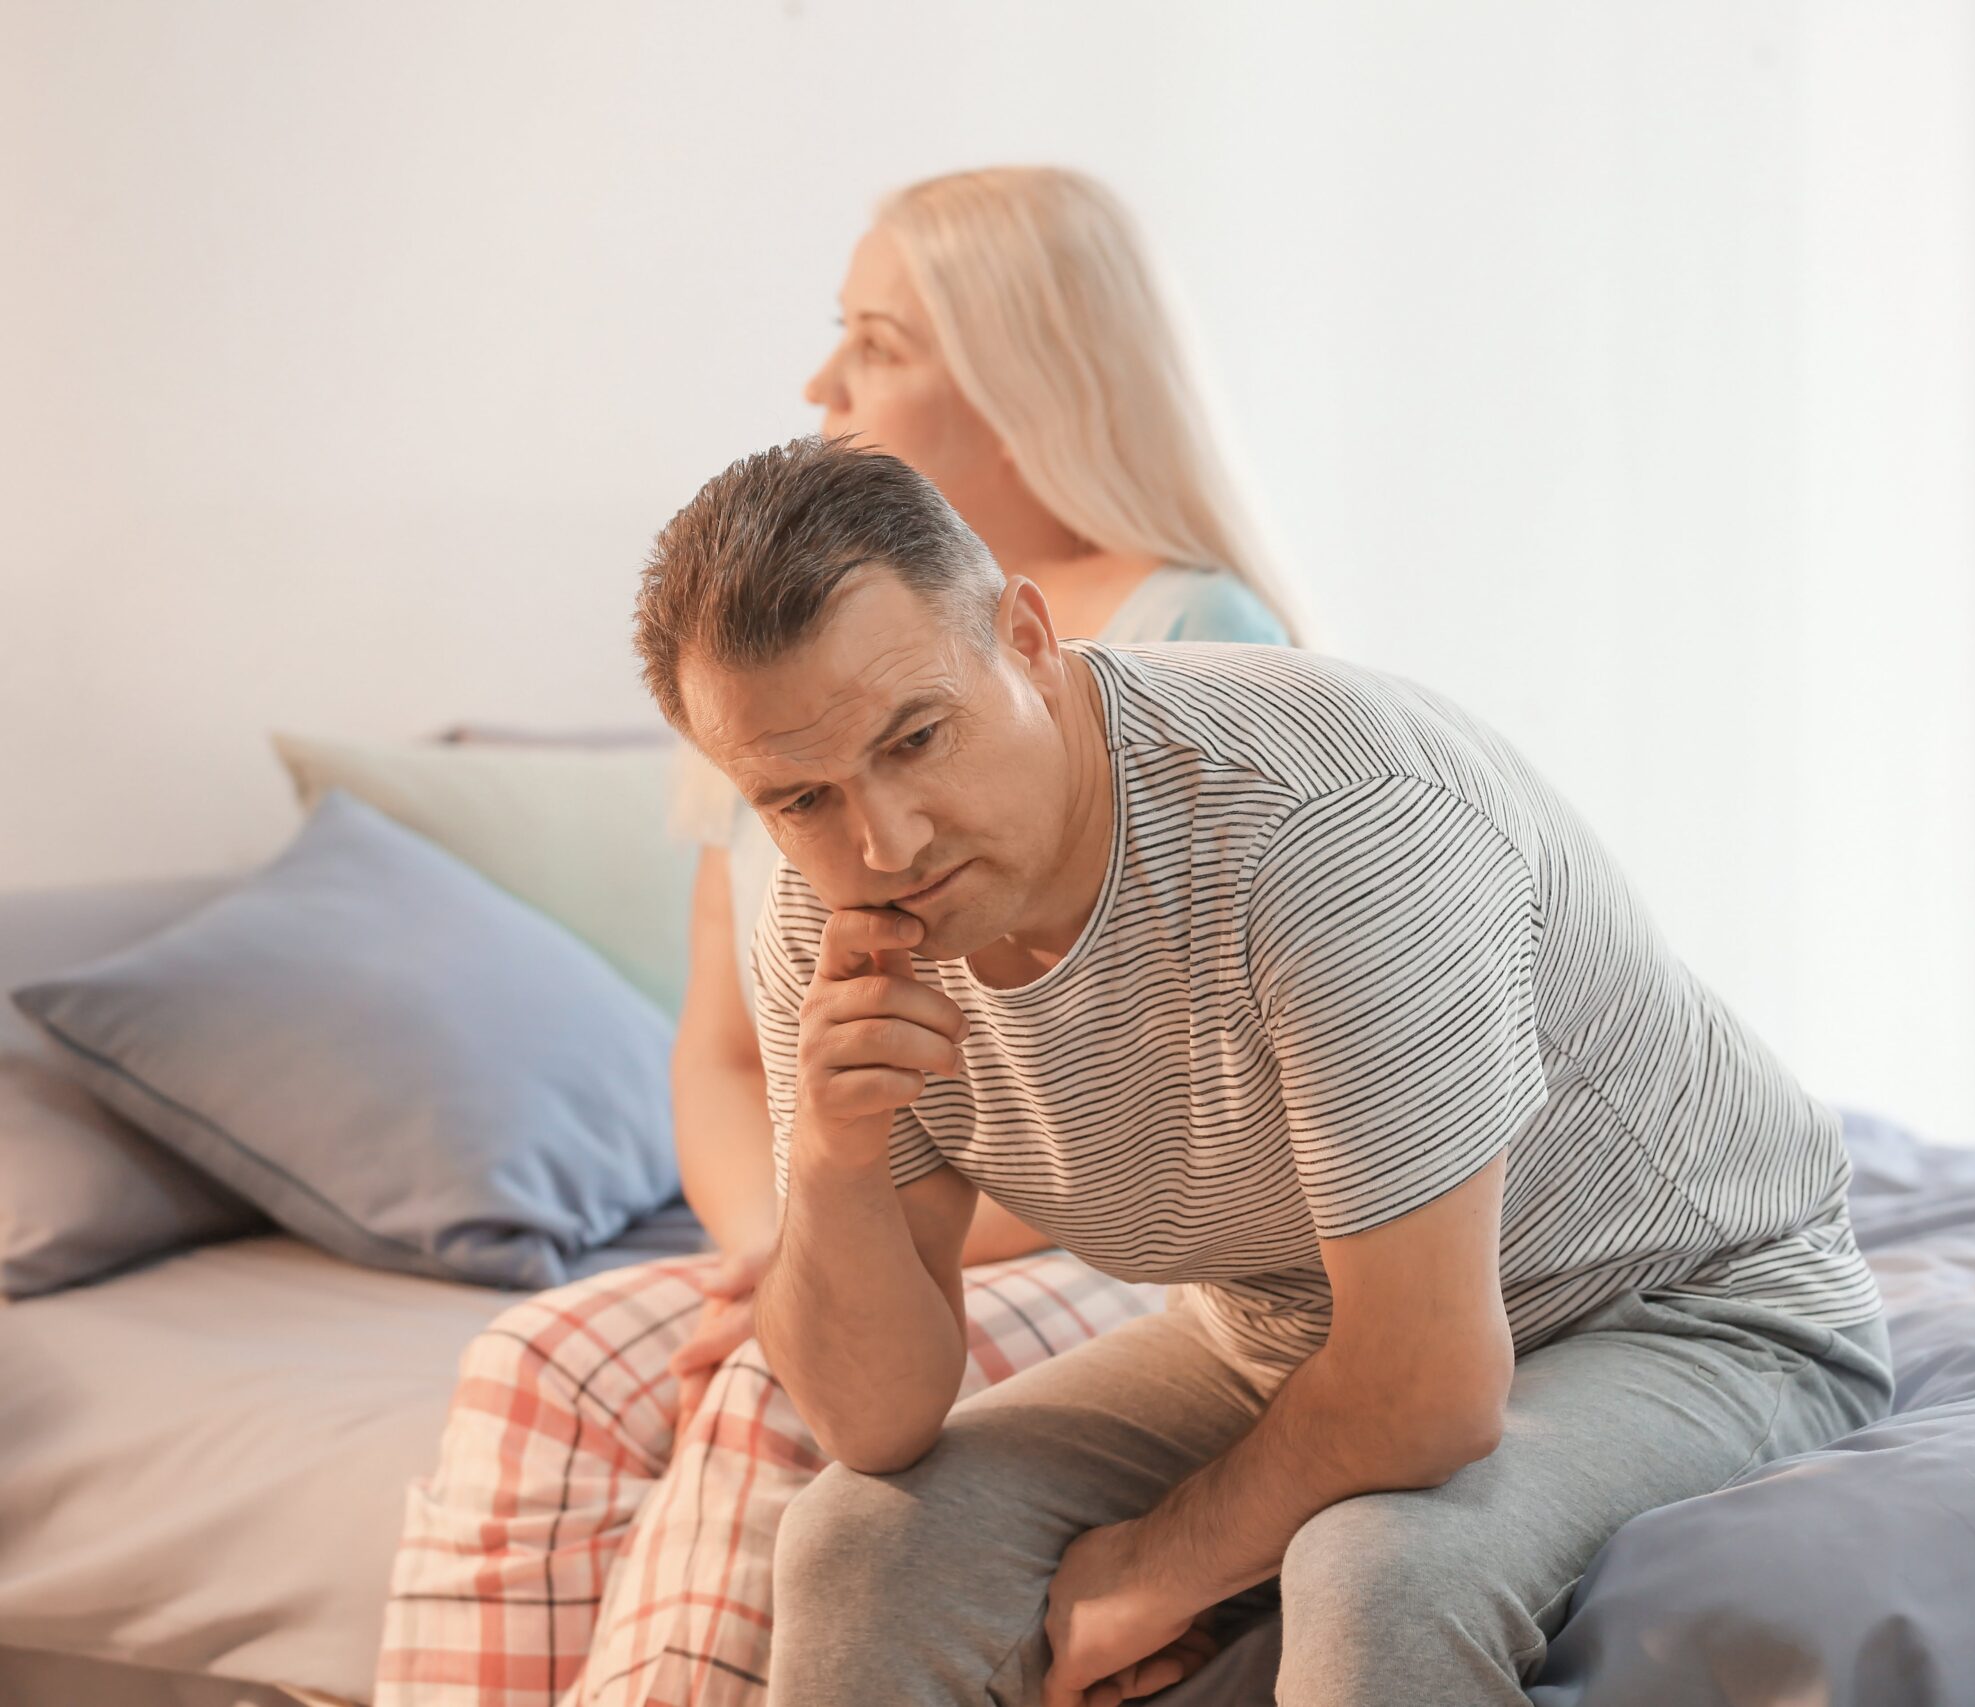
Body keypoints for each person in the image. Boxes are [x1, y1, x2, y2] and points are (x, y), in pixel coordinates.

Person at [634, 439, 1895, 1707]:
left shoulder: (1331, 826)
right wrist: (844, 1164)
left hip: (1692, 1308)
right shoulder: (825, 920)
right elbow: (876, 1426)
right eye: (799, 800)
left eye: (917, 739)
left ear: (1025, 639)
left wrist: (1151, 1569)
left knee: (1381, 1571)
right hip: (1287, 1329)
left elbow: (1428, 1388)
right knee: (859, 1539)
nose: (883, 841)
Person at [377, 166, 1301, 1707]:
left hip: (1110, 1243)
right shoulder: (763, 669)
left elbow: (1216, 1107)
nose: (822, 383)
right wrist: (791, 1242)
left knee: (769, 1401)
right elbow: (727, 1050)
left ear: (1024, 378)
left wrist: (858, 1241)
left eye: (874, 341)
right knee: (532, 1360)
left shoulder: (1192, 640)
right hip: (834, 1221)